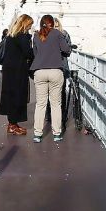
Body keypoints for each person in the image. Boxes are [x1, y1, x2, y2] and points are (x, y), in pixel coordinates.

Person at [30, 14, 71, 143]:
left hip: (40, 71)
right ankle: (57, 133)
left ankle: (37, 134)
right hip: (55, 71)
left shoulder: (36, 35)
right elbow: (66, 50)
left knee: (40, 104)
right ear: (52, 23)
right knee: (56, 104)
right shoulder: (57, 34)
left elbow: (35, 54)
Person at [0, 14, 34, 136]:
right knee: (18, 95)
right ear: (25, 24)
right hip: (18, 70)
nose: (30, 27)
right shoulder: (22, 36)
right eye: (29, 24)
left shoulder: (11, 35)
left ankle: (12, 123)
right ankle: (12, 125)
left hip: (9, 70)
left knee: (11, 95)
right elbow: (28, 53)